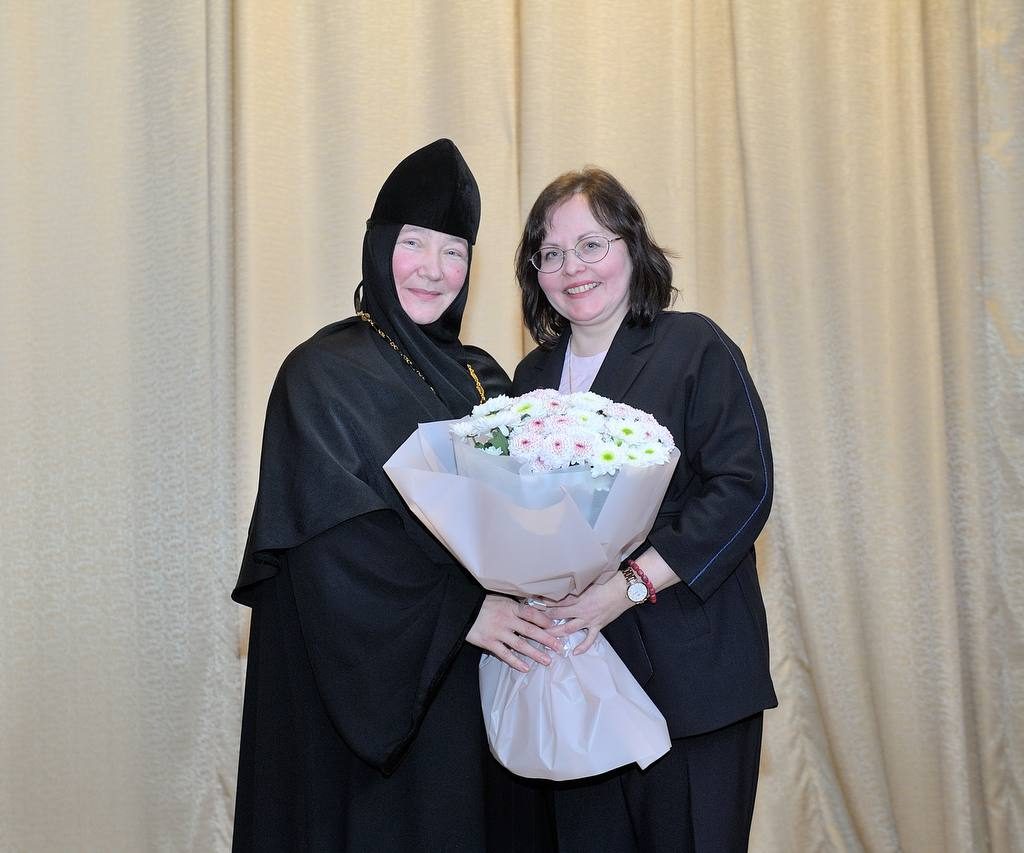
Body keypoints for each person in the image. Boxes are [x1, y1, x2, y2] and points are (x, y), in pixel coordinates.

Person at [232, 139, 559, 852]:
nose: (433, 269)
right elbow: (330, 538)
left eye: (454, 251)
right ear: (379, 247)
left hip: (483, 687)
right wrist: (461, 611)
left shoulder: (486, 381)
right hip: (366, 692)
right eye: (414, 243)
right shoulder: (320, 374)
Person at [512, 168, 777, 852]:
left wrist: (628, 586)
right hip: (576, 680)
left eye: (591, 245)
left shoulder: (693, 346)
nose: (572, 267)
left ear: (632, 247)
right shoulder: (530, 379)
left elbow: (743, 488)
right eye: (551, 253)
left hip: (690, 676)